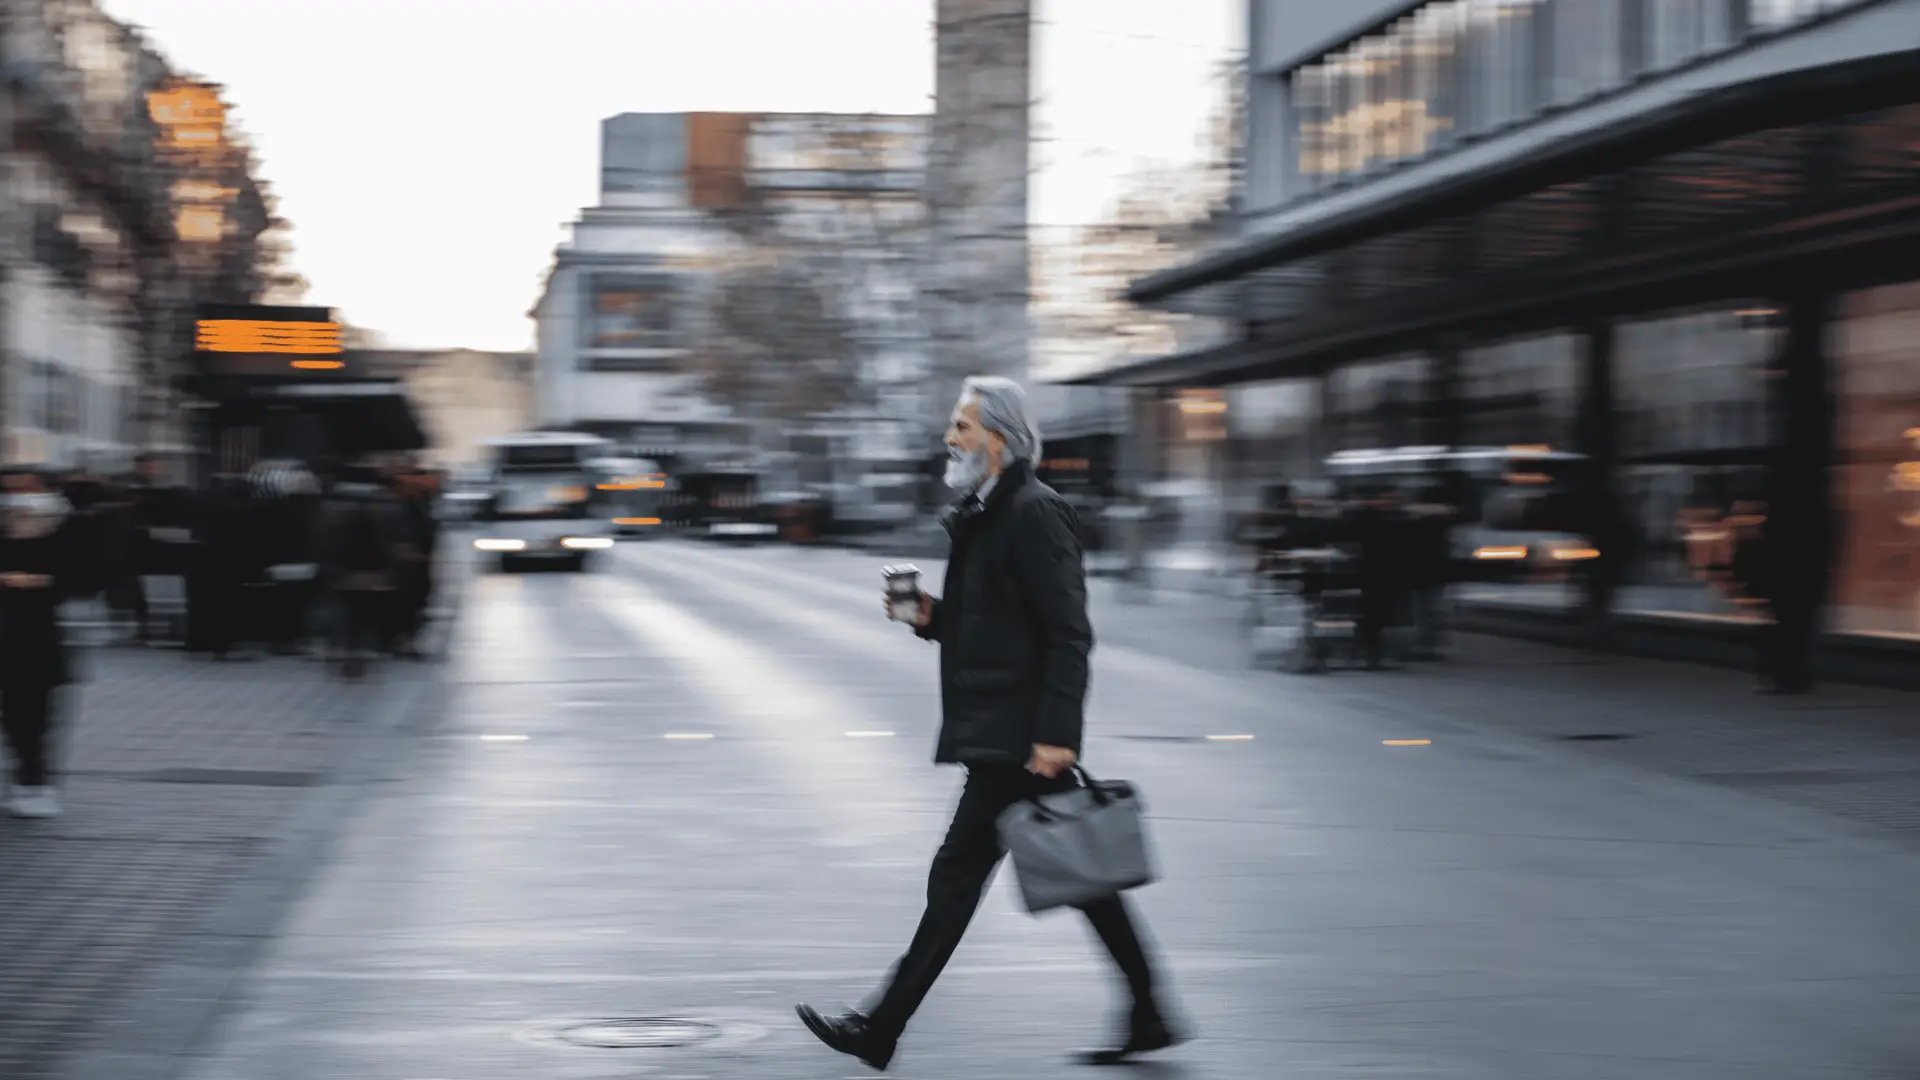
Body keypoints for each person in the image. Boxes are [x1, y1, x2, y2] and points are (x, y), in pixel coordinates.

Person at [796, 377, 1183, 1072]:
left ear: (997, 439)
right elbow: (992, 629)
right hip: (1005, 734)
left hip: (1023, 740)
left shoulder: (1034, 513)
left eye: (963, 428)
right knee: (1084, 876)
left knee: (958, 881)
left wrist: (1058, 737)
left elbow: (1068, 632)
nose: (951, 439)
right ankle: (1149, 1008)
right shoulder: (984, 513)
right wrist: (929, 618)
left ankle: (880, 1027)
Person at [0, 467, 82, 818]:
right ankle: (27, 779)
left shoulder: (64, 529)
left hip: (35, 639)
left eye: (25, 489)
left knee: (33, 714)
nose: (18, 498)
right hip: (15, 634)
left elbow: (77, 577)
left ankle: (35, 782)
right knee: (17, 715)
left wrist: (36, 581)